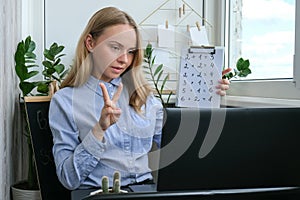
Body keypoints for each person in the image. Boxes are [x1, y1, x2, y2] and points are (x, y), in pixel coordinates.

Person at [49, 6, 231, 190]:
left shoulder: (143, 97)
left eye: (130, 51)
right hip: (98, 194)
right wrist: (99, 130)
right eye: (115, 47)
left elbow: (184, 151)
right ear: (90, 43)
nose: (124, 60)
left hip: (146, 191)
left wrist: (206, 96)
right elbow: (68, 178)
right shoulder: (65, 101)